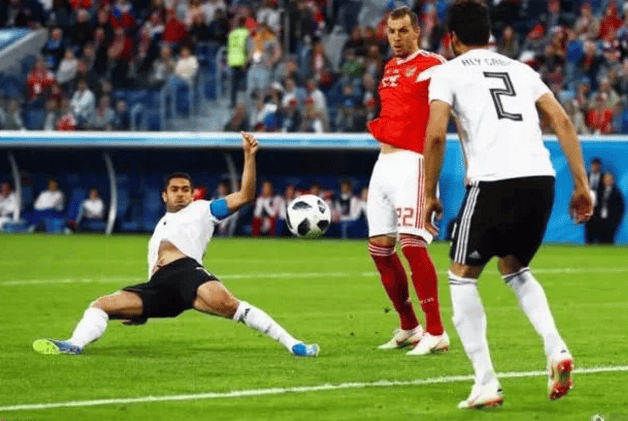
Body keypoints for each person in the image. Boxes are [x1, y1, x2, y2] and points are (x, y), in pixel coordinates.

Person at [422, 0, 593, 409]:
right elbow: (562, 121)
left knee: (461, 276)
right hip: (541, 180)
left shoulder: (446, 72)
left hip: (495, 182)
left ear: (452, 38)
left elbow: (435, 135)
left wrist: (429, 193)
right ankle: (556, 347)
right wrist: (582, 186)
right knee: (514, 266)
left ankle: (486, 382)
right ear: (489, 35)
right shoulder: (522, 70)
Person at [33, 132, 318, 358]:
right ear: (164, 195)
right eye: (175, 190)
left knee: (230, 305)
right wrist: (142, 313)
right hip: (159, 287)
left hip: (187, 273)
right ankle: (74, 344)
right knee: (101, 305)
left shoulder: (203, 209)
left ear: (193, 195)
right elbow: (152, 271)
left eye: (185, 190)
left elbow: (245, 195)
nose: (180, 194)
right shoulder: (158, 231)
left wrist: (249, 156)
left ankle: (294, 345)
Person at [365, 6, 448, 356]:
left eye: (402, 31)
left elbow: (453, 109)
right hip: (383, 163)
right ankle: (409, 326)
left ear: (417, 31)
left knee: (413, 244)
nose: (396, 38)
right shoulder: (389, 68)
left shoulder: (435, 65)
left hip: (414, 162)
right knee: (379, 249)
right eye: (391, 31)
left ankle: (436, 331)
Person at [587, 172, 625, 244]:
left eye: (609, 180)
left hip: (610, 222)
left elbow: (620, 209)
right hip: (598, 221)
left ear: (612, 181)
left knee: (608, 242)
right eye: (606, 180)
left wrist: (615, 221)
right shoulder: (599, 192)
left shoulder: (617, 193)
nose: (607, 181)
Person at [585, 157, 604, 243]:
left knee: (600, 227)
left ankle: (600, 244)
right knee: (588, 227)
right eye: (594, 165)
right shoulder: (586, 177)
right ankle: (588, 243)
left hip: (599, 207)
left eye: (597, 166)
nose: (595, 167)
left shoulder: (604, 177)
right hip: (588, 206)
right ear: (591, 166)